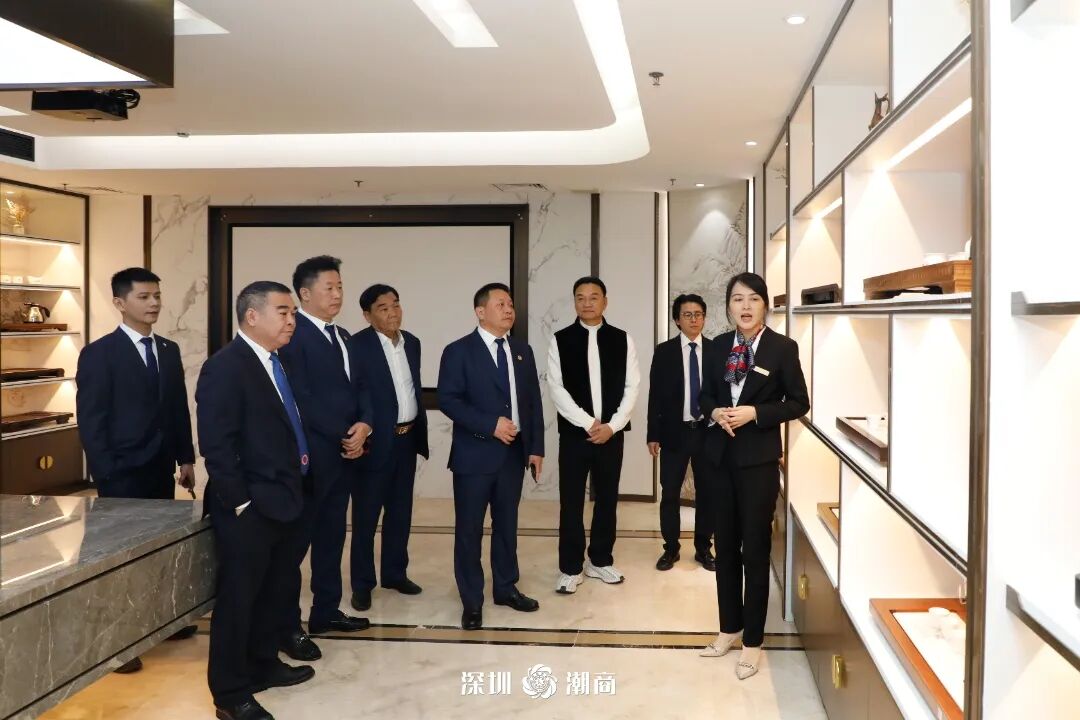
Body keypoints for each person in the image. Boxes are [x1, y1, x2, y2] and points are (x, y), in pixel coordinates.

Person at [196, 281, 317, 720]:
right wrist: (241, 503)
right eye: (283, 312)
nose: (292, 320)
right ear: (252, 316)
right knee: (239, 599)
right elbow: (217, 445)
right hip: (251, 506)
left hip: (288, 496)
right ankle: (231, 694)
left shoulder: (279, 361)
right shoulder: (225, 367)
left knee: (275, 589)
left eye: (293, 313)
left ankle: (263, 664)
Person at [75, 267, 198, 673]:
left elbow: (177, 409)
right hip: (121, 472)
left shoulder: (168, 349)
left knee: (158, 548)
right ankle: (119, 644)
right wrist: (107, 474)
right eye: (144, 297)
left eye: (157, 296)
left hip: (161, 466)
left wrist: (185, 458)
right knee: (120, 558)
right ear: (120, 302)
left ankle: (161, 622)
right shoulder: (100, 353)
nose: (154, 303)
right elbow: (92, 421)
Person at [698, 272, 809, 680]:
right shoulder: (717, 346)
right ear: (728, 306)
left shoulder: (782, 348)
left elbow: (799, 402)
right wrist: (715, 411)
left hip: (758, 463)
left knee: (755, 552)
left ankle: (753, 642)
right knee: (725, 548)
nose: (745, 307)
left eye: (753, 299)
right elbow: (705, 395)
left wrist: (755, 413)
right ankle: (729, 628)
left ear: (765, 304)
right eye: (737, 299)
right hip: (719, 459)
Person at [276, 256, 372, 660]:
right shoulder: (293, 336)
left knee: (333, 537)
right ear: (304, 293)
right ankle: (286, 626)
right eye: (328, 287)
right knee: (296, 547)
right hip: (312, 459)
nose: (337, 294)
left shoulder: (343, 335)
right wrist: (343, 435)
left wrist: (364, 424)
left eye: (340, 286)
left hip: (345, 455)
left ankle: (326, 611)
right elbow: (302, 399)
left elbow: (361, 387)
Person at [437, 282, 544, 630]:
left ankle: (506, 587)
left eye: (510, 304)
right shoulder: (458, 351)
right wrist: (489, 425)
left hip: (512, 456)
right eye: (501, 304)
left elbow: (532, 402)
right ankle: (472, 600)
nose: (509, 309)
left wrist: (536, 448)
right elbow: (448, 400)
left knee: (507, 526)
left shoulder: (522, 351)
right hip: (474, 456)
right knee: (469, 530)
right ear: (480, 312)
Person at [547, 276, 640, 594]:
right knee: (571, 502)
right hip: (575, 436)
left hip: (611, 435)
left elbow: (632, 386)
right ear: (574, 302)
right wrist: (588, 423)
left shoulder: (622, 339)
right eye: (580, 297)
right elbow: (556, 389)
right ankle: (570, 567)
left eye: (593, 296)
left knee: (607, 499)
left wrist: (612, 426)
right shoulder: (560, 340)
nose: (587, 302)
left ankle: (600, 560)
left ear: (605, 301)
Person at [346, 284, 429, 611]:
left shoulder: (413, 343)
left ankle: (395, 573)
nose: (393, 312)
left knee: (400, 512)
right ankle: (362, 584)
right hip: (374, 443)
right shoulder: (356, 347)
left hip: (406, 440)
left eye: (396, 305)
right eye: (383, 308)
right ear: (367, 315)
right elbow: (352, 395)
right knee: (366, 517)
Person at [646, 293, 715, 572]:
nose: (694, 319)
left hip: (707, 433)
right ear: (677, 320)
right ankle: (671, 548)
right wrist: (653, 434)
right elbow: (655, 396)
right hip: (675, 433)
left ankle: (703, 548)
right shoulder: (664, 352)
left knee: (707, 493)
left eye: (698, 314)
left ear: (704, 318)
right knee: (671, 493)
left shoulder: (716, 350)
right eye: (687, 314)